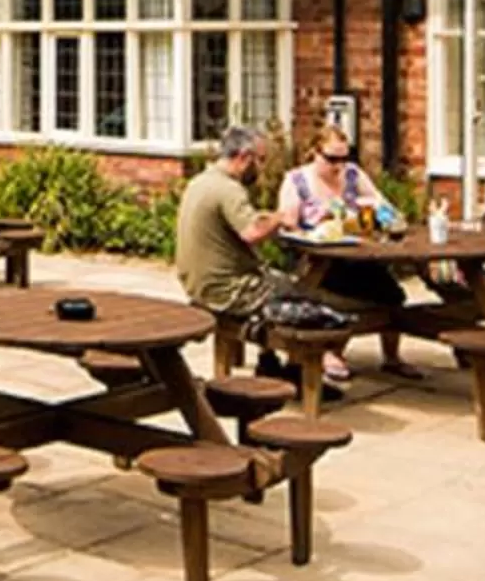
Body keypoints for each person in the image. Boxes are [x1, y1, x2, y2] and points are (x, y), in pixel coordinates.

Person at [173, 125, 350, 386]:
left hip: (198, 284)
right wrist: (281, 217)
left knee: (280, 281)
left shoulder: (201, 182)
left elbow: (247, 222)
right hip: (231, 290)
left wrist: (269, 218)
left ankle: (270, 363)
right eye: (261, 160)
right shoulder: (229, 189)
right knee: (309, 296)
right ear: (244, 158)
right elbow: (252, 231)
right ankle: (303, 371)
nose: (262, 168)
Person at [276, 120, 420, 378]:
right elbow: (287, 225)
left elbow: (386, 208)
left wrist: (380, 212)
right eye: (331, 159)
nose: (338, 166)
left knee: (394, 295)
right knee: (339, 299)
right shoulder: (297, 181)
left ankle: (391, 357)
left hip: (357, 255)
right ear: (314, 153)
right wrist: (316, 223)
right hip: (318, 259)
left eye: (344, 157)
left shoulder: (352, 175)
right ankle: (331, 352)